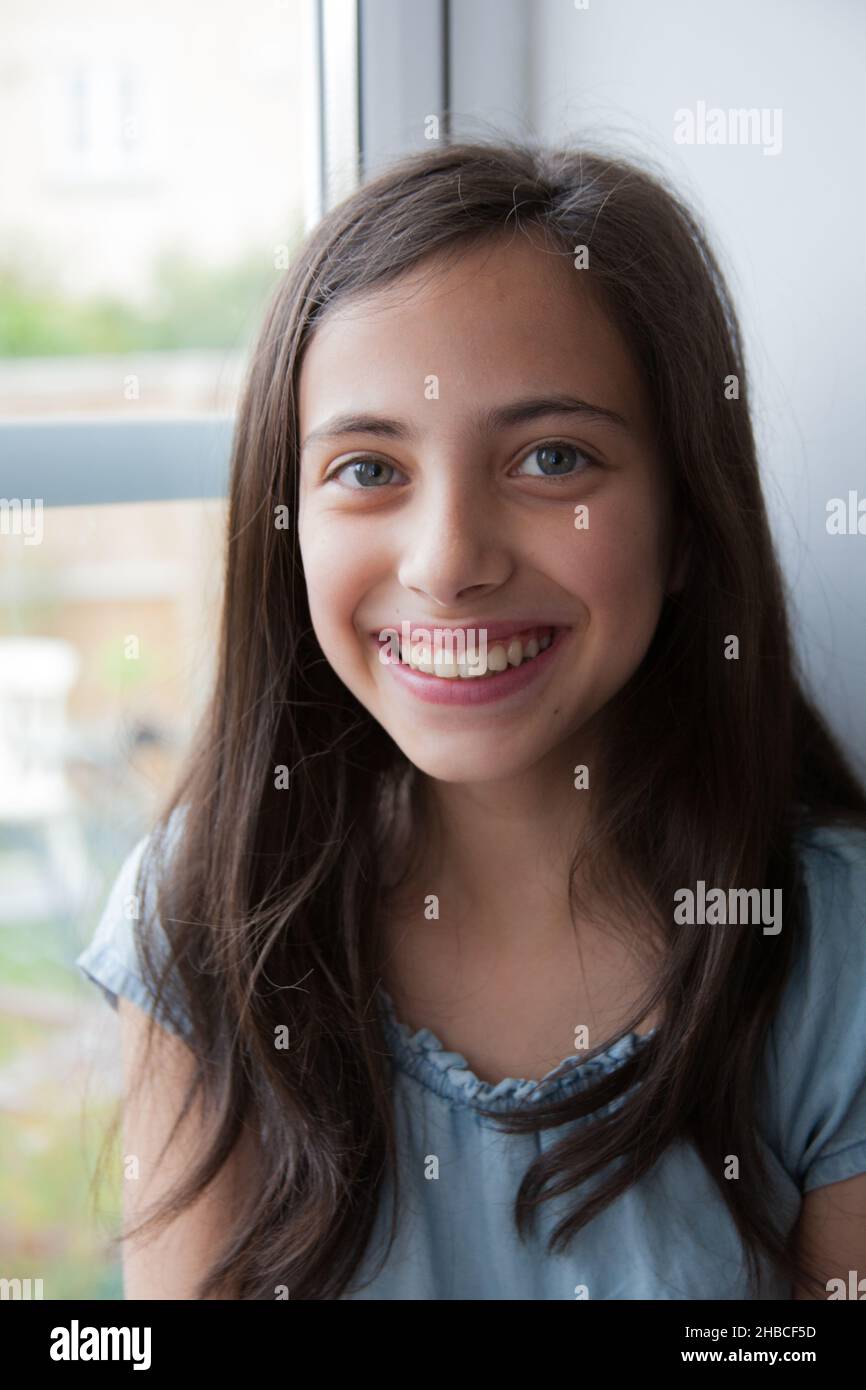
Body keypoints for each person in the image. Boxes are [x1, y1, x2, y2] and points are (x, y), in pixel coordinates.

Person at [77, 138, 866, 1300]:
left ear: (687, 515)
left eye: (551, 458)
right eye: (367, 468)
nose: (447, 563)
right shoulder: (202, 921)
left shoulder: (833, 957)